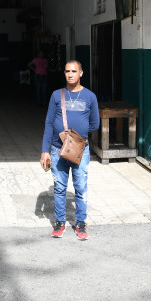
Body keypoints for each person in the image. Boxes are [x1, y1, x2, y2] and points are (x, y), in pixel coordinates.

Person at [39, 60, 99, 241]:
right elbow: (49, 123)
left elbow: (95, 123)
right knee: (59, 188)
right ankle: (59, 222)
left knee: (80, 188)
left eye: (74, 71)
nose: (70, 74)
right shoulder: (57, 96)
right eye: (67, 71)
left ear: (81, 73)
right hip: (58, 150)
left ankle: (80, 223)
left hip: (81, 150)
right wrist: (45, 150)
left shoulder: (90, 96)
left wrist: (78, 135)